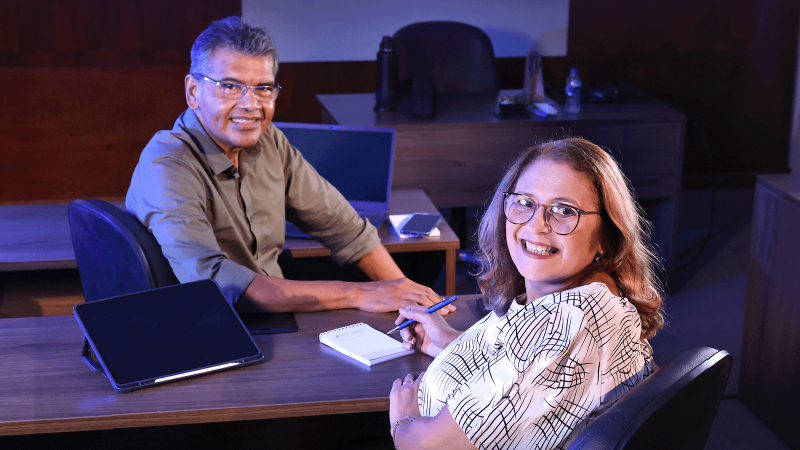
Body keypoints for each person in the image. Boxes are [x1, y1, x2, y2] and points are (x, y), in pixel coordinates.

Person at [126, 16, 451, 315]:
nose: (251, 104)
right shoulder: (166, 167)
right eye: (230, 86)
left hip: (273, 318)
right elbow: (217, 282)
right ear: (193, 92)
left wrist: (409, 299)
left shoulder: (270, 141)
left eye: (263, 88)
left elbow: (345, 228)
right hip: (209, 328)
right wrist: (358, 293)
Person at [389, 138, 664, 450]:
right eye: (525, 202)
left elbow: (425, 446)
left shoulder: (566, 320)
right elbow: (525, 372)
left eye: (563, 210)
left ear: (606, 235)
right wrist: (449, 342)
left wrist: (403, 420)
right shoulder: (589, 299)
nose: (537, 225)